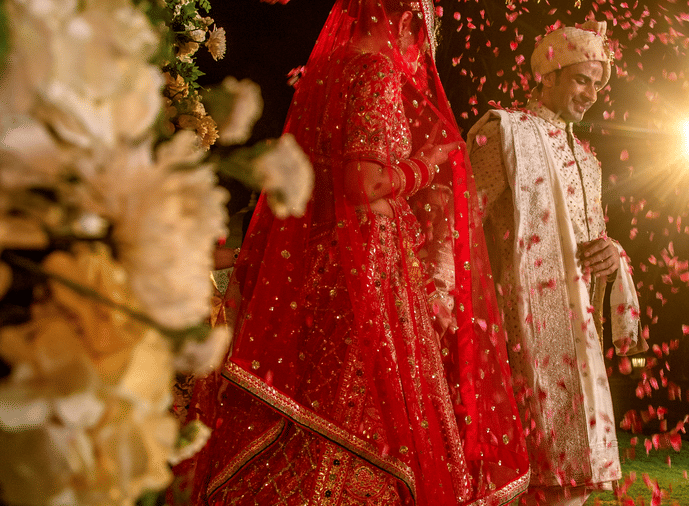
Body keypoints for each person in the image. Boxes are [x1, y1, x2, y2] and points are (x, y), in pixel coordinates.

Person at [177, 1, 530, 505]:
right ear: (407, 20)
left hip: (320, 265)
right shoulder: (376, 69)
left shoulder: (331, 67)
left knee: (308, 403)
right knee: (366, 413)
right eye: (423, 31)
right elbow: (363, 181)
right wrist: (427, 165)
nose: (420, 50)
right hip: (363, 272)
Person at [467, 21, 647, 506]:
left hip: (577, 337)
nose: (591, 94)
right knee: (519, 479)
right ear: (548, 74)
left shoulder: (588, 159)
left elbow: (592, 239)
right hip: (514, 334)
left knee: (574, 481)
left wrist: (613, 255)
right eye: (581, 79)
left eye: (598, 83)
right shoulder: (502, 133)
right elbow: (460, 226)